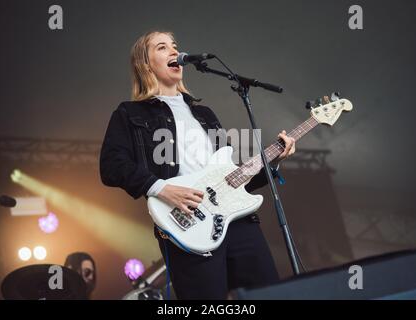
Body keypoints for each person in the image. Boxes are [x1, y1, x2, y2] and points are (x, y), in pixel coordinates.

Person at [99, 31, 295, 299]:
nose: (173, 51)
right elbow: (111, 165)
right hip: (187, 223)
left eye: (175, 46)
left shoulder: (205, 115)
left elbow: (234, 177)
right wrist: (161, 188)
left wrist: (275, 161)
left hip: (238, 222)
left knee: (269, 294)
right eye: (162, 47)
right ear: (145, 64)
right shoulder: (130, 113)